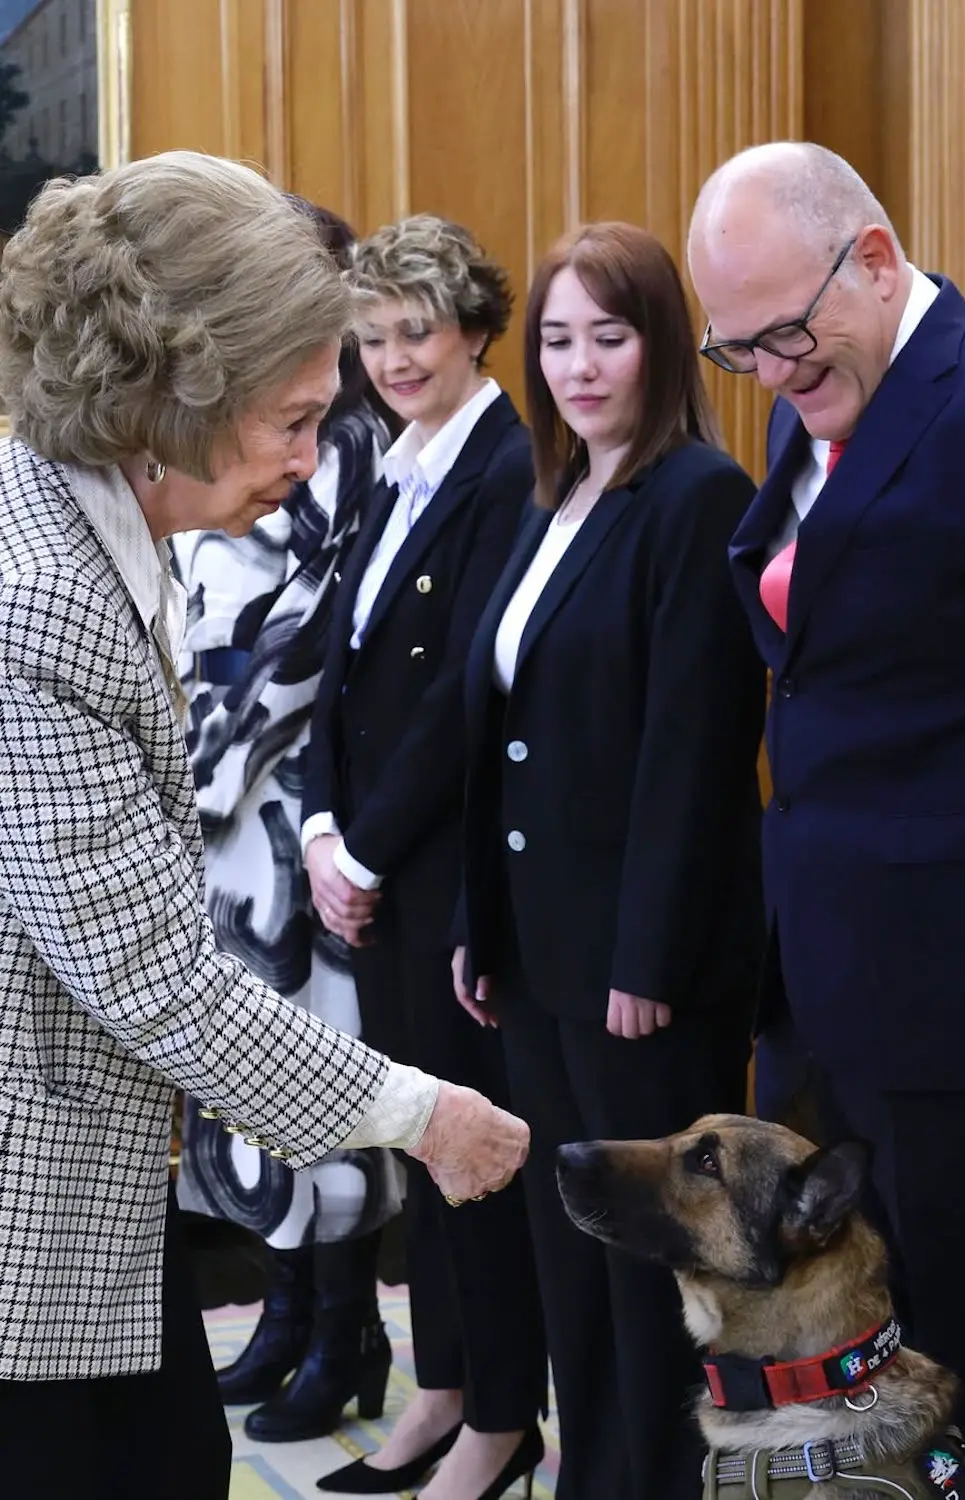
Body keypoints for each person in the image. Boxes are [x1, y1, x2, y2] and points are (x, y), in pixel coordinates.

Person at [0, 150, 527, 1500]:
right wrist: (420, 1114)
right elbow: (147, 974)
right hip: (32, 1206)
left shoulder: (87, 524)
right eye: (293, 421)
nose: (310, 464)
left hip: (82, 1184)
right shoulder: (41, 597)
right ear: (174, 394)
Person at [686, 141, 965, 1479]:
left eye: (784, 334)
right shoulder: (812, 395)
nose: (769, 372)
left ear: (874, 262)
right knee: (875, 1365)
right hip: (834, 986)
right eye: (738, 349)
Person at [455, 221, 765, 1500]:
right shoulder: (549, 494)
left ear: (662, 344)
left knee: (651, 1279)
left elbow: (692, 750)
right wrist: (482, 923)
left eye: (612, 335)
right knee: (564, 1254)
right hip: (536, 954)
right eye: (560, 339)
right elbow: (502, 734)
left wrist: (647, 953)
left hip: (638, 967)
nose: (581, 366)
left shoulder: (695, 495)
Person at [301, 215, 546, 1498]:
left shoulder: (509, 466)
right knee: (418, 1147)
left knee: (475, 1154)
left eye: (417, 332)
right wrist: (324, 831)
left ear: (472, 330)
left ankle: (502, 1418)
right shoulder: (395, 461)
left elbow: (466, 691)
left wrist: (370, 848)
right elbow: (345, 680)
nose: (393, 357)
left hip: (451, 873)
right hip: (382, 869)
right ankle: (440, 1387)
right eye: (375, 335)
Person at [172, 201, 406, 1441]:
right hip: (214, 798)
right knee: (235, 1072)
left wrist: (214, 748)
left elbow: (323, 623)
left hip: (287, 795)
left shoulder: (349, 432)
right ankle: (280, 1308)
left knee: (310, 1064)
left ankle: (347, 1325)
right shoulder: (222, 417)